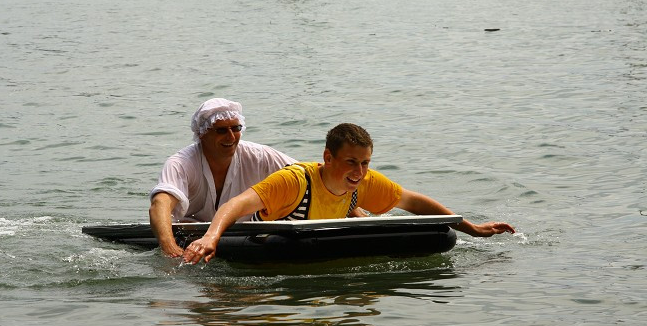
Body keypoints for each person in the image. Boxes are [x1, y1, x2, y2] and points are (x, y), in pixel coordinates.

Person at [183, 123, 516, 264]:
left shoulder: (365, 181)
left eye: (365, 163)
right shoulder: (295, 180)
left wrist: (472, 228)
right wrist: (211, 238)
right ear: (328, 158)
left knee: (439, 236)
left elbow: (414, 202)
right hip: (267, 240)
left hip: (323, 238)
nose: (359, 171)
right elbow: (235, 204)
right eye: (351, 162)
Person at [149, 98, 296, 257]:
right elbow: (160, 204)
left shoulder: (260, 156)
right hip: (192, 238)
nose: (231, 137)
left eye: (236, 128)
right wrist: (170, 248)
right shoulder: (181, 163)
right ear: (202, 133)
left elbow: (304, 175)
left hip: (246, 235)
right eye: (221, 130)